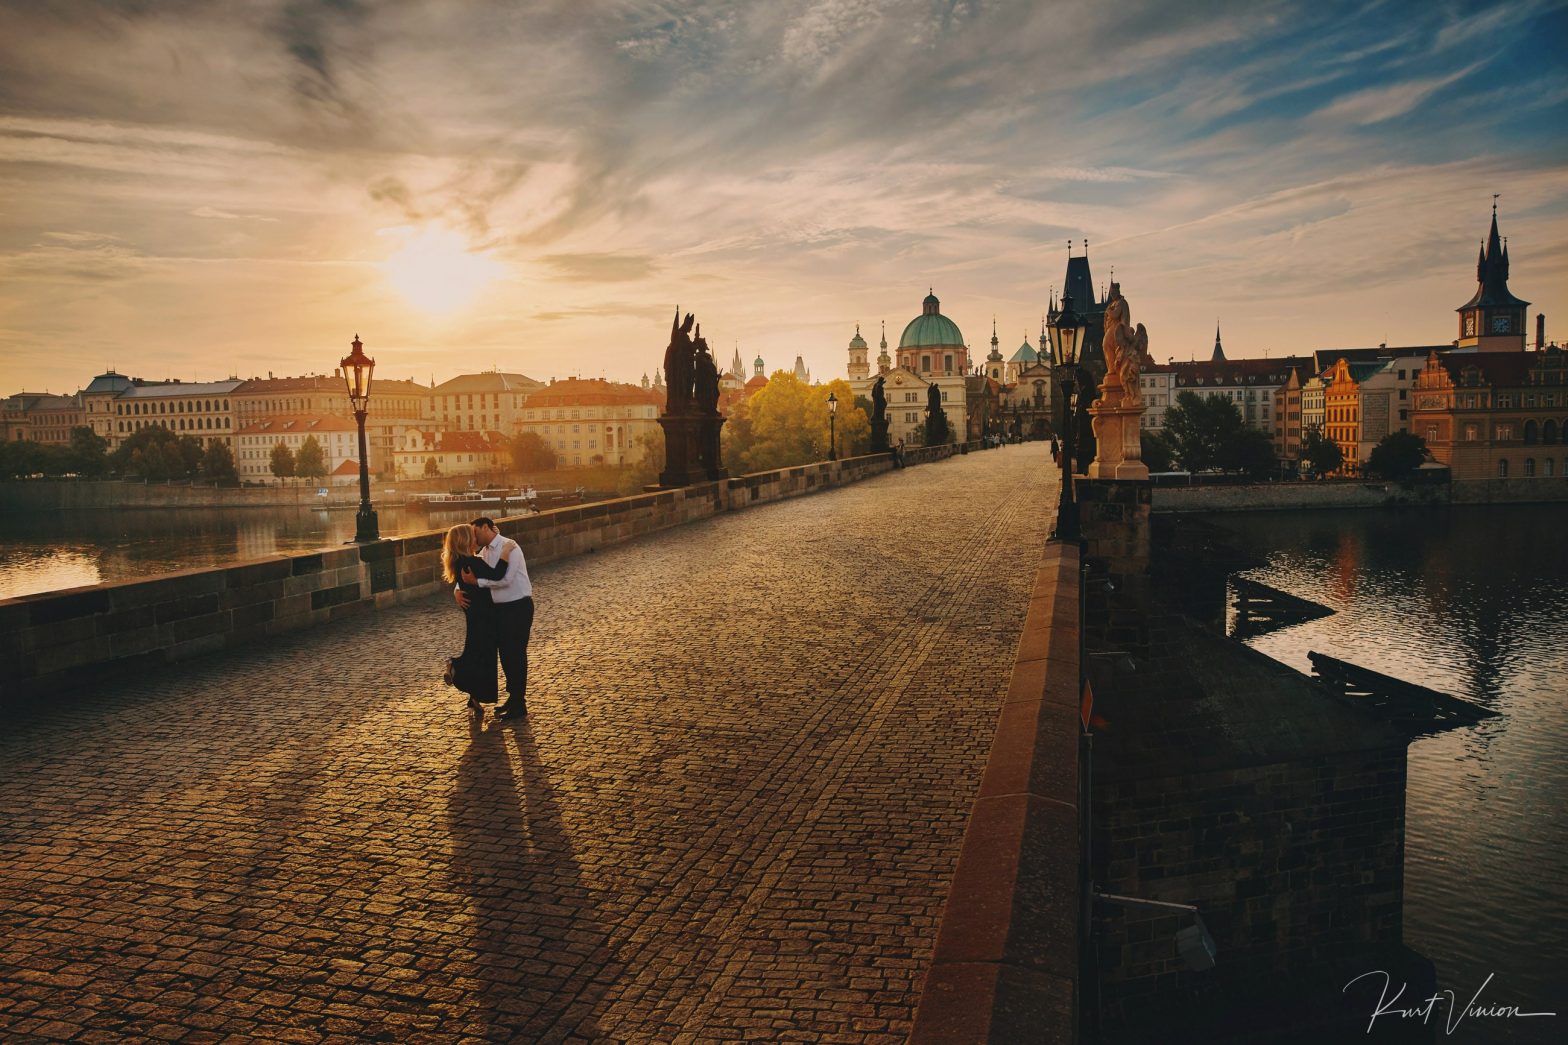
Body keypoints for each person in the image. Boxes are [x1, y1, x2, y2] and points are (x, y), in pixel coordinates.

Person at [458, 517, 534, 722]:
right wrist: (457, 590)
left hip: (517, 606)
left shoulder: (510, 547)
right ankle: (513, 697)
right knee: (505, 656)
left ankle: (520, 703)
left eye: (476, 532)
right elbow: (467, 570)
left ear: (486, 527)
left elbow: (505, 579)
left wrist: (477, 582)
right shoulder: (483, 552)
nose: (473, 537)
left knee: (515, 655)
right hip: (498, 611)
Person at [440, 523, 512, 723]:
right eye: (472, 536)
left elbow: (477, 568)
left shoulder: (459, 562)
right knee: (484, 655)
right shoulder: (473, 563)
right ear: (465, 541)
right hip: (484, 615)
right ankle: (455, 667)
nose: (477, 539)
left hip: (474, 614)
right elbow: (498, 574)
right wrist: (506, 551)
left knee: (477, 652)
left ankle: (474, 698)